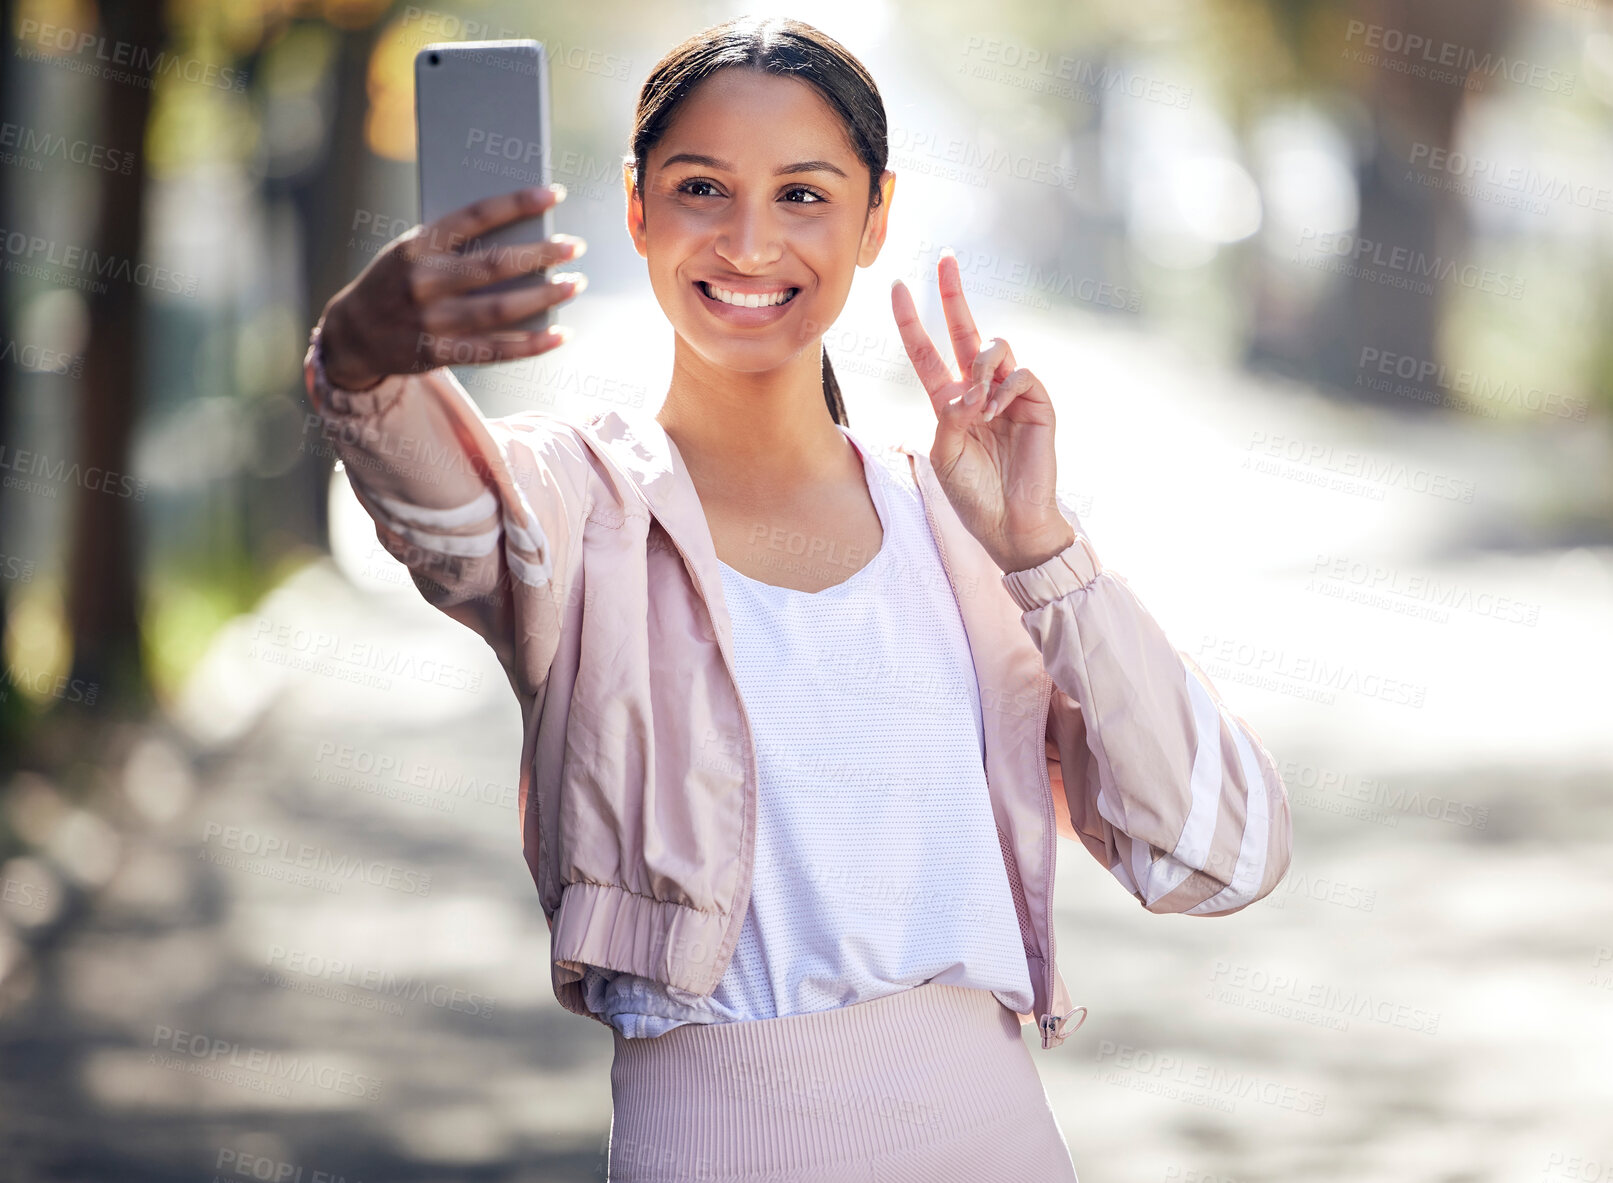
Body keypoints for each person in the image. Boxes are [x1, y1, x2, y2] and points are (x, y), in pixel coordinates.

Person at [301, 15, 1293, 1182]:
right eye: (702, 187)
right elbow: (443, 520)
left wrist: (1043, 551)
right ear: (636, 209)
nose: (749, 240)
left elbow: (1220, 855)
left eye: (805, 196)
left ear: (876, 218)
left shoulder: (967, 534)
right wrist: (359, 359)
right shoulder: (578, 507)